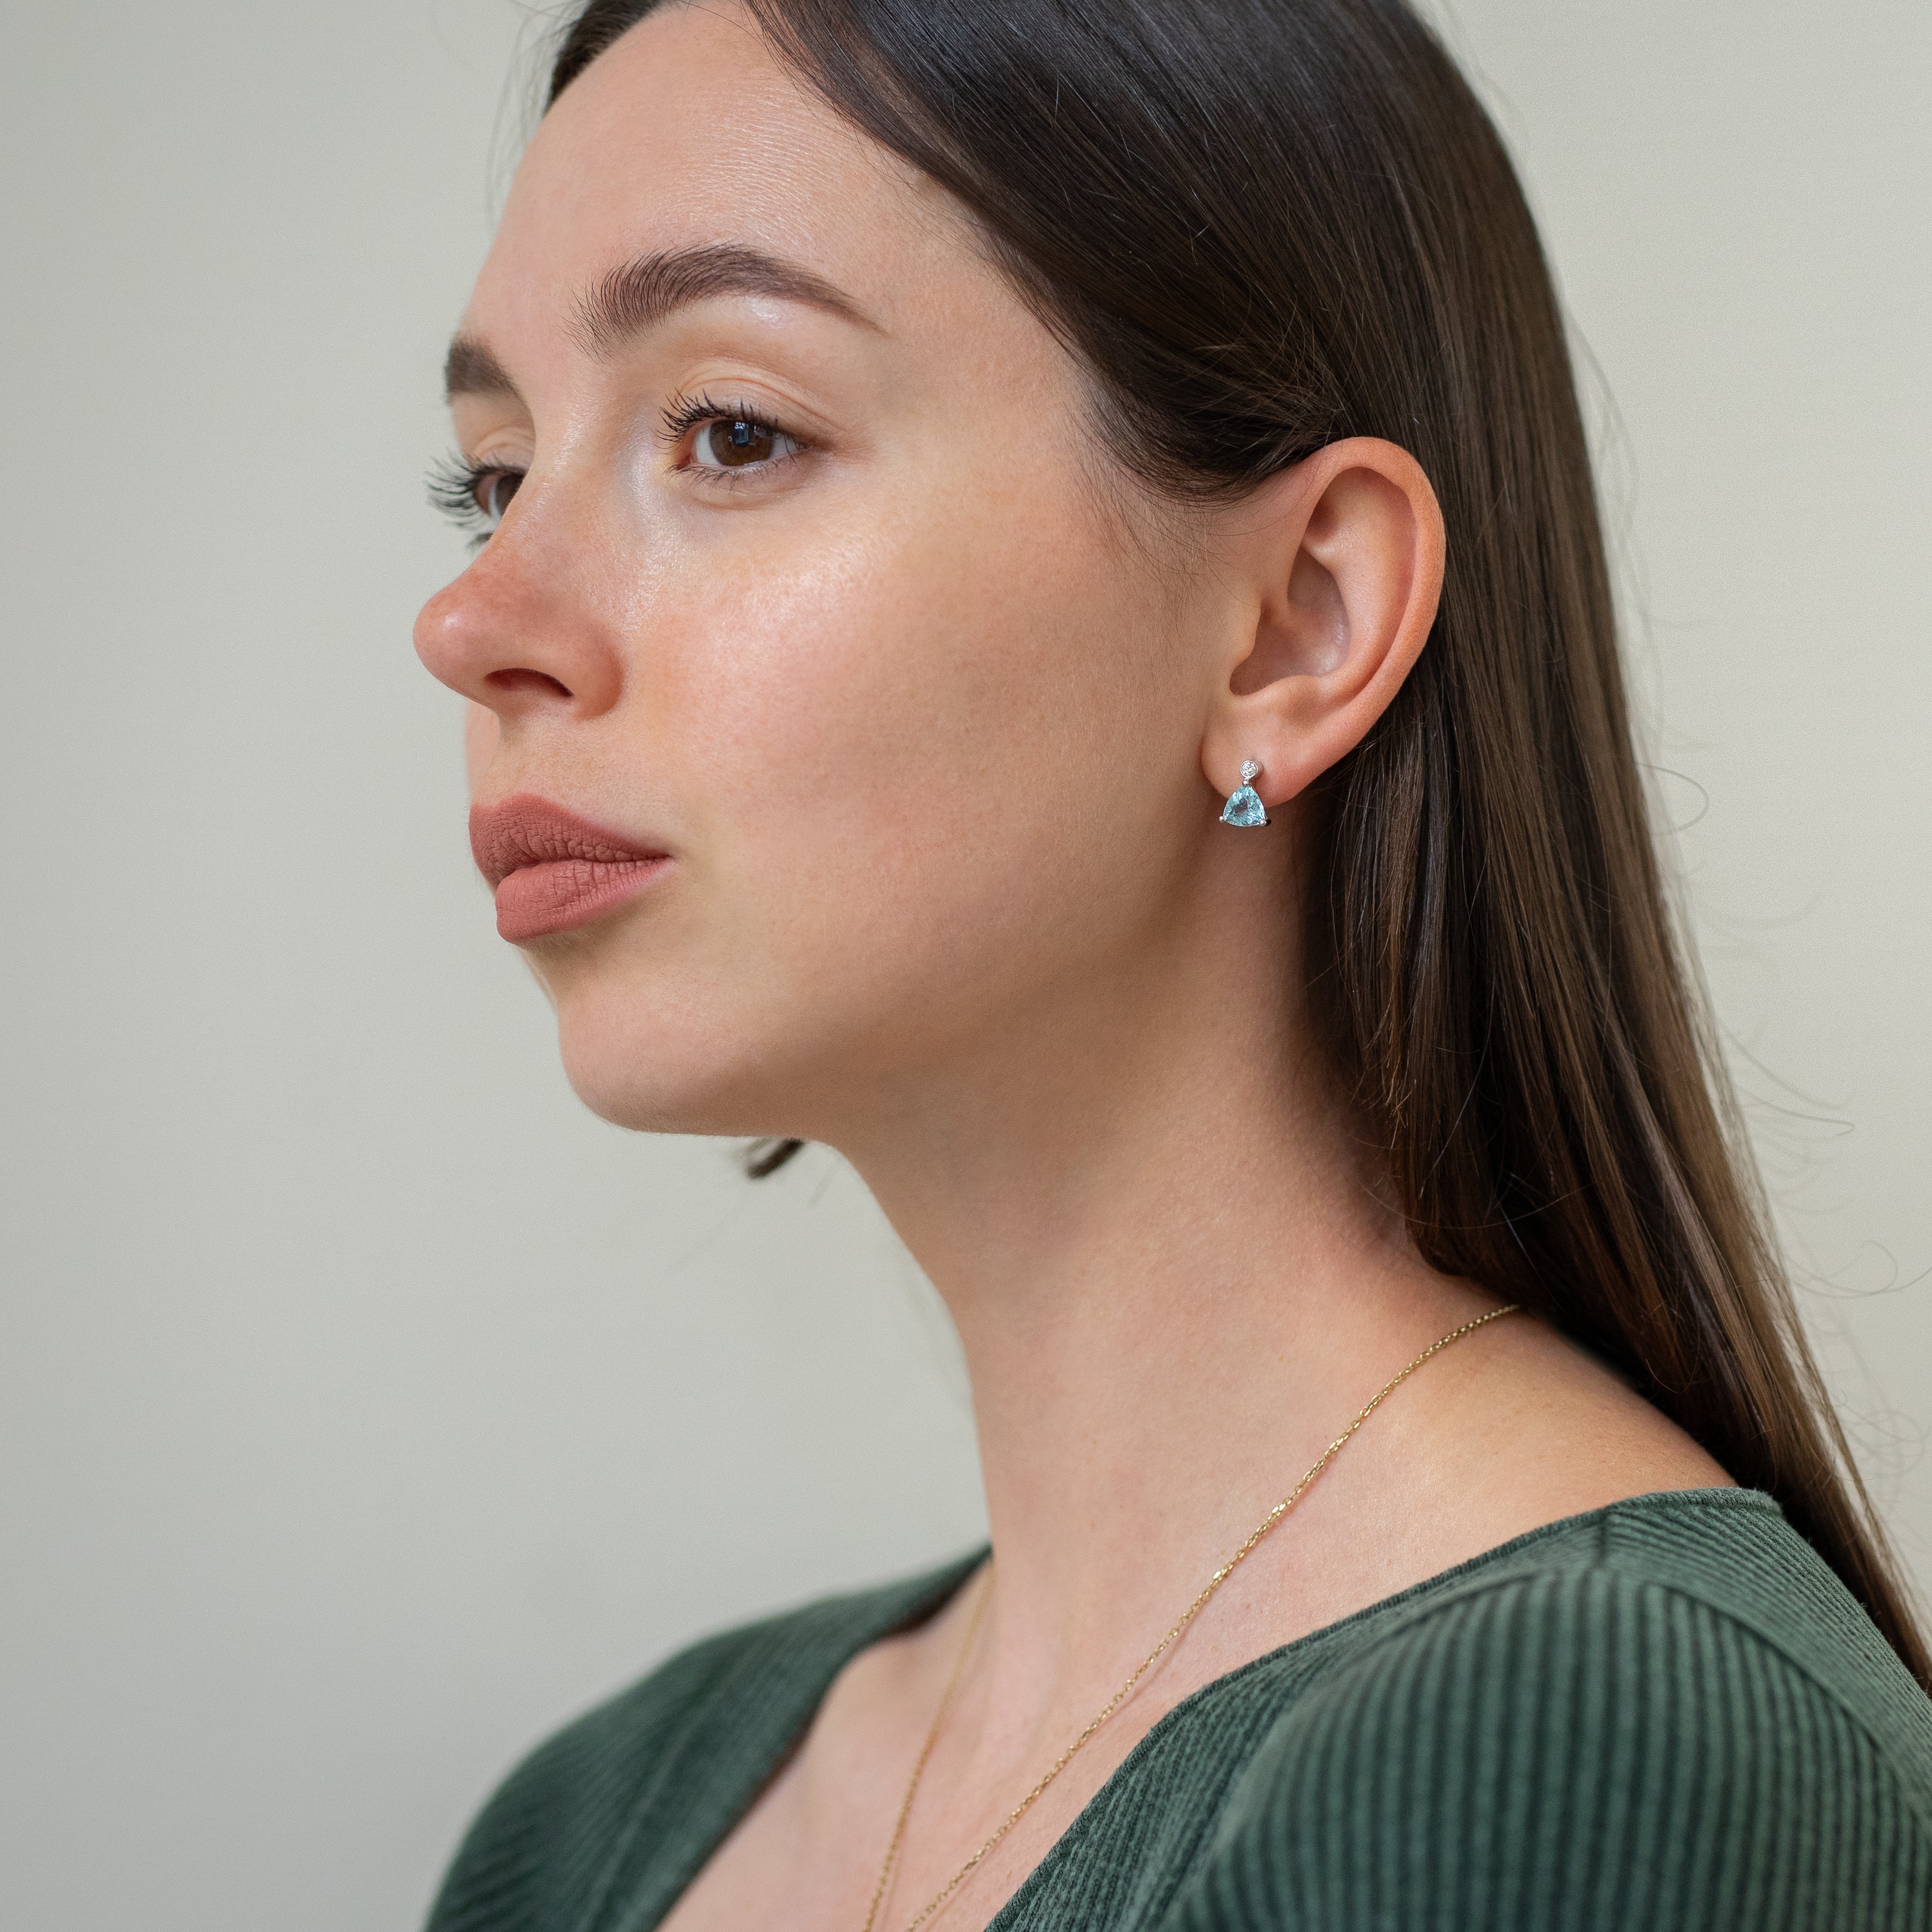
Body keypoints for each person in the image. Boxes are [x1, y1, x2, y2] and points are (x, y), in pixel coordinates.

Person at [412, 2, 1932, 1927]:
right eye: (492, 474)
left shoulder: (1588, 1755)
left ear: (1298, 624)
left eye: (731, 431)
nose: (474, 621)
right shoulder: (598, 1824)